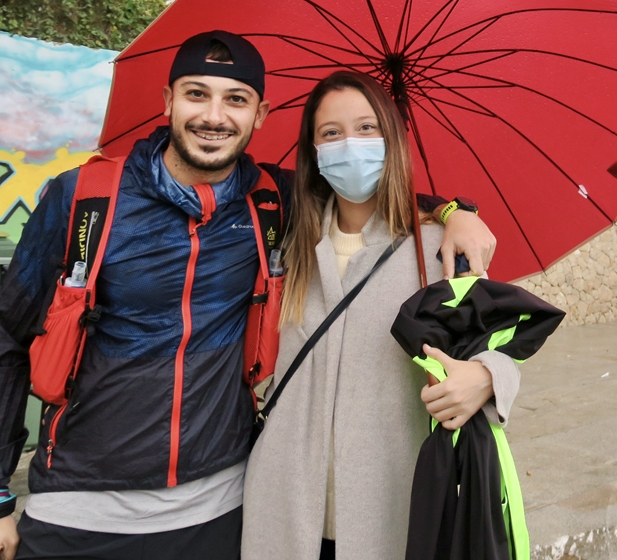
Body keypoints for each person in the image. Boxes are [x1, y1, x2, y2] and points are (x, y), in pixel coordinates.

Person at [0, 32, 496, 560]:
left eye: (235, 99)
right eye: (196, 94)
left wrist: (455, 211)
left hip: (218, 508)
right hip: (78, 509)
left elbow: (372, 195)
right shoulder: (84, 198)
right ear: (168, 100)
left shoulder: (271, 201)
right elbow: (7, 335)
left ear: (259, 114)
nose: (214, 116)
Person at [241, 71, 521, 560]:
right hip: (282, 508)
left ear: (392, 138)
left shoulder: (438, 249)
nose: (350, 145)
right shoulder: (285, 242)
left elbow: (501, 351)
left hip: (390, 511)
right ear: (313, 150)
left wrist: (485, 377)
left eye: (367, 128)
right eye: (331, 133)